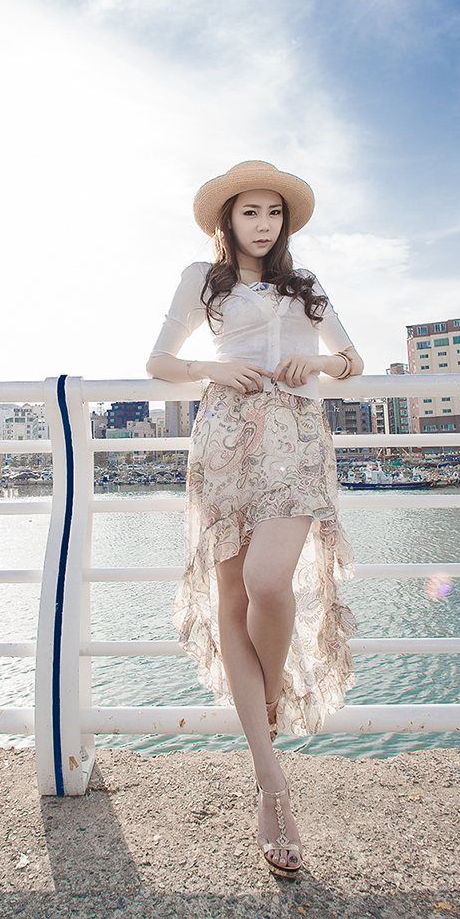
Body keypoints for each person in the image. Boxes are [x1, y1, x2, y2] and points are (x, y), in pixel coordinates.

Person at [146, 160, 364, 879]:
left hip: (296, 439)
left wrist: (318, 365)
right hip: (226, 440)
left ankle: (264, 703)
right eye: (250, 212)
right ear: (228, 220)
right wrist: (208, 370)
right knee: (233, 600)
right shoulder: (202, 280)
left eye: (274, 212)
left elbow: (353, 360)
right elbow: (158, 362)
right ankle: (273, 789)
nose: (264, 224)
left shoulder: (306, 286)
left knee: (271, 584)